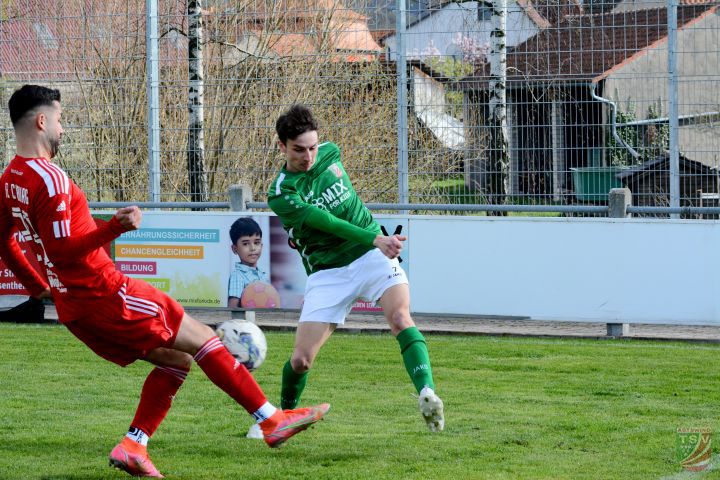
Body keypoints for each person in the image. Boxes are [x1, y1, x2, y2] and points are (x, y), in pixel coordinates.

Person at [0, 85, 329, 479]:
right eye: (59, 119)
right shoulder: (48, 178)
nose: (62, 128)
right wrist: (112, 229)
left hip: (77, 309)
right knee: (203, 337)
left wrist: (37, 285)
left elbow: (5, 241)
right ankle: (271, 420)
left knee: (177, 360)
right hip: (105, 293)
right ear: (41, 121)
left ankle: (133, 446)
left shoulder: (9, 178)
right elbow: (64, 250)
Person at [267, 104, 444, 433]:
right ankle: (282, 418)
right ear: (282, 147)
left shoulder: (330, 153)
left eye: (313, 147)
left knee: (401, 317)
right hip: (328, 272)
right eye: (299, 150)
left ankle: (427, 393)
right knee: (301, 360)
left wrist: (375, 243)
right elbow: (327, 222)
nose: (309, 157)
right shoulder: (282, 194)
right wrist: (376, 238)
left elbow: (347, 208)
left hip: (370, 256)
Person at [227, 217, 270, 308]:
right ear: (235, 249)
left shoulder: (263, 275)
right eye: (246, 244)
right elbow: (232, 308)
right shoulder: (238, 276)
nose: (253, 248)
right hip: (245, 321)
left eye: (256, 242)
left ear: (261, 246)